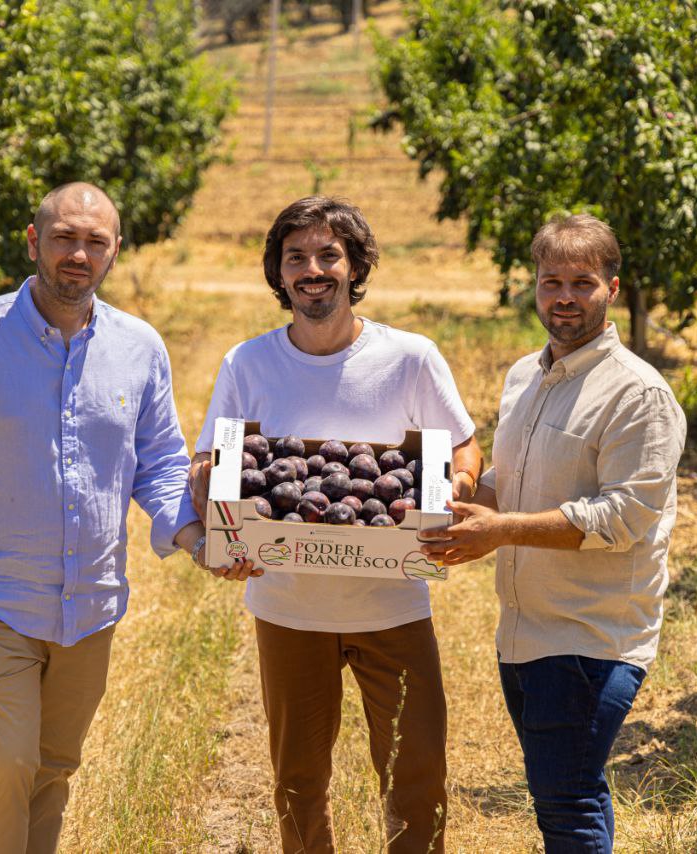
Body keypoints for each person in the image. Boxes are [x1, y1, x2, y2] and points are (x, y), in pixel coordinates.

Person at [0, 182, 231, 853]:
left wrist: (195, 537)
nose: (79, 254)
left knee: (54, 766)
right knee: (7, 760)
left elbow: (158, 462)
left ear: (115, 253)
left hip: (89, 602)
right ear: (34, 242)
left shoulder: (140, 347)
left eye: (95, 242)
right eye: (65, 237)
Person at [189, 196, 483, 854]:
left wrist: (454, 491)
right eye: (297, 258)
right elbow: (212, 461)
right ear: (280, 273)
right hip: (289, 608)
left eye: (329, 255)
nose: (313, 269)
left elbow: (463, 447)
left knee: (417, 772)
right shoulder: (248, 363)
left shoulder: (409, 357)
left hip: (393, 603)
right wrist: (221, 520)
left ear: (354, 267)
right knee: (297, 782)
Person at [421, 213, 686, 853]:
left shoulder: (637, 395)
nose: (564, 297)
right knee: (571, 794)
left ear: (612, 288)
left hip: (590, 635)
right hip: (524, 630)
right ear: (534, 287)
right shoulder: (523, 376)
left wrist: (501, 530)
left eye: (582, 283)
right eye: (550, 282)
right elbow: (507, 481)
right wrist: (453, 504)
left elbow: (623, 516)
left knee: (566, 804)